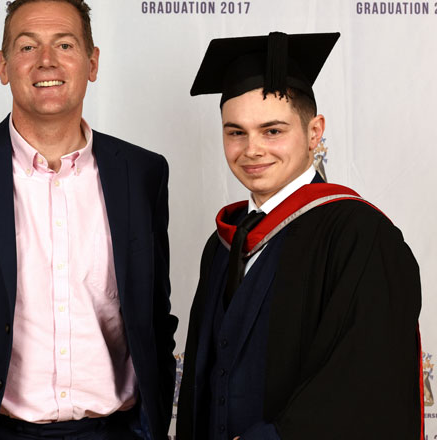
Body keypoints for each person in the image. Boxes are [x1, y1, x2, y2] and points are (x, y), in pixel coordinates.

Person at [0, 0, 176, 438]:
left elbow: (155, 318)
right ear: (3, 66)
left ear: (92, 62)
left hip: (114, 430)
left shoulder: (142, 173)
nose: (47, 60)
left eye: (65, 44)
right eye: (27, 47)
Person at [177, 32, 422, 439]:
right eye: (235, 132)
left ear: (314, 132)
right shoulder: (222, 245)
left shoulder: (360, 236)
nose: (252, 149)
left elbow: (365, 382)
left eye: (272, 131)